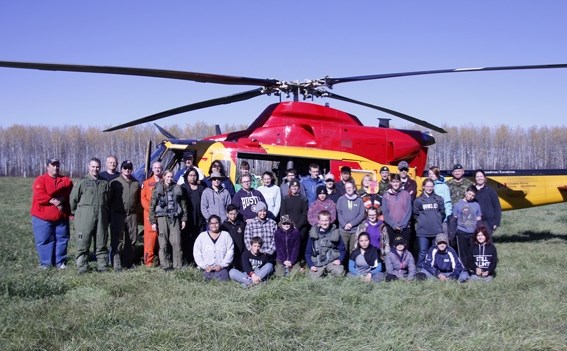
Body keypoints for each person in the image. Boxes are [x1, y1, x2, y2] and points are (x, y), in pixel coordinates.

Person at [30, 157, 73, 269]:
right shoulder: (40, 180)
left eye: (57, 165)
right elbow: (40, 196)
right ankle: (46, 264)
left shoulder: (66, 181)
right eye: (53, 165)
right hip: (42, 217)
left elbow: (69, 194)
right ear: (47, 166)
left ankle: (60, 262)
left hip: (61, 217)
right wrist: (55, 201)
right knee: (44, 240)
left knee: (62, 239)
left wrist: (65, 205)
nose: (56, 167)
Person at [70, 157, 110, 273]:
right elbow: (73, 199)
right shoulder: (82, 182)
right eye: (93, 166)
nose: (95, 169)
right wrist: (75, 213)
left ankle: (102, 266)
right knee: (83, 242)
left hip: (101, 215)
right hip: (85, 216)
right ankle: (82, 267)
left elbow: (108, 198)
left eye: (97, 167)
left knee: (101, 241)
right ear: (89, 167)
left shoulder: (104, 183)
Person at [149, 170, 187, 270]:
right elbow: (152, 206)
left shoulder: (177, 188)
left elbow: (183, 205)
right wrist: (153, 221)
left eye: (171, 177)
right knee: (163, 242)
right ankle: (165, 265)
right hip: (162, 218)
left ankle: (177, 265)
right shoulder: (157, 189)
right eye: (168, 177)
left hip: (175, 217)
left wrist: (184, 219)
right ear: (164, 177)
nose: (170, 179)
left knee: (177, 242)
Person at [108, 160, 140, 271]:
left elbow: (138, 200)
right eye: (125, 168)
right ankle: (117, 264)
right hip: (118, 215)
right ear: (121, 169)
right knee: (117, 240)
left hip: (131, 215)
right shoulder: (114, 183)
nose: (127, 170)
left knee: (132, 239)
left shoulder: (136, 183)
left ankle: (128, 263)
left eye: (129, 168)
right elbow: (109, 200)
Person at [413, 178, 446, 269]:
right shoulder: (418, 200)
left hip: (436, 230)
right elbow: (415, 214)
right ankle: (420, 268)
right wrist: (422, 221)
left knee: (435, 250)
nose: (429, 188)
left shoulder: (439, 199)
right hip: (423, 231)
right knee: (423, 251)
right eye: (427, 186)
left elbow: (443, 213)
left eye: (431, 186)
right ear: (423, 187)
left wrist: (437, 220)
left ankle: (435, 268)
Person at [305, 210, 346, 279]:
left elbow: (342, 249)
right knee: (313, 279)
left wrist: (340, 260)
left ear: (330, 220)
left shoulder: (335, 232)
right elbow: (308, 252)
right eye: (322, 221)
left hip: (331, 261)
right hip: (318, 262)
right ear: (319, 221)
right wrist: (311, 265)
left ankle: (328, 274)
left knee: (339, 273)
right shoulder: (313, 234)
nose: (324, 223)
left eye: (326, 220)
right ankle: (322, 273)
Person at [193, 215, 234, 281]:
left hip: (221, 269)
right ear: (208, 224)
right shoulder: (202, 236)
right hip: (206, 269)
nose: (214, 225)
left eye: (216, 223)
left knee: (223, 277)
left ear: (220, 223)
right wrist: (205, 266)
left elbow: (230, 251)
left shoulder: (226, 235)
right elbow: (197, 253)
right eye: (212, 223)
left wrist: (221, 265)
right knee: (203, 278)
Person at [180, 167, 207, 265]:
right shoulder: (183, 188)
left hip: (199, 219)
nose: (192, 177)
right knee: (187, 240)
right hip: (188, 219)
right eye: (190, 175)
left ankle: (197, 261)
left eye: (194, 175)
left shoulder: (201, 188)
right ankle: (187, 260)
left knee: (198, 241)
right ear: (187, 177)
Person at [452, 186, 482, 267]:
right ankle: (464, 268)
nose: (470, 197)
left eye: (473, 195)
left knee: (473, 251)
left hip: (473, 232)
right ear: (465, 192)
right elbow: (454, 219)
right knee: (463, 253)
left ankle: (473, 267)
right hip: (461, 232)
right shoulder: (458, 205)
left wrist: (479, 231)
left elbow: (479, 219)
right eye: (469, 194)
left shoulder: (476, 205)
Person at [141, 161, 163, 267]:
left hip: (162, 215)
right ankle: (148, 262)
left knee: (162, 238)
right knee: (150, 239)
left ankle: (162, 260)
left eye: (159, 168)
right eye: (155, 167)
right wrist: (151, 211)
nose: (157, 169)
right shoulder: (146, 183)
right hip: (150, 215)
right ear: (152, 169)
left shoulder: (165, 182)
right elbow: (143, 199)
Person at [382, 174, 412, 243]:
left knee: (404, 249)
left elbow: (409, 211)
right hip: (391, 227)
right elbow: (385, 213)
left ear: (400, 182)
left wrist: (402, 225)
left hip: (404, 228)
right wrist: (394, 225)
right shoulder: (386, 196)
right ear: (390, 182)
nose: (395, 184)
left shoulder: (406, 194)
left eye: (397, 181)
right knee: (392, 250)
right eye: (394, 182)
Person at [336, 181, 366, 253]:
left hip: (355, 230)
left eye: (350, 187)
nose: (348, 189)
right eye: (347, 188)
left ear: (354, 188)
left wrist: (351, 224)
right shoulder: (341, 199)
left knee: (353, 251)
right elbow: (339, 213)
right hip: (343, 230)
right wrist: (344, 225)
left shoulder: (359, 200)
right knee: (343, 250)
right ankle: (343, 264)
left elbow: (361, 214)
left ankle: (351, 264)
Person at [474, 169, 501, 236]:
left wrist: (496, 223)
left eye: (481, 176)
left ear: (484, 178)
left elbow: (497, 207)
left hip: (488, 222)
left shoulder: (490, 190)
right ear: (475, 178)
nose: (479, 178)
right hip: (474, 221)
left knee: (487, 243)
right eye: (477, 177)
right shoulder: (471, 190)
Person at [221, 204, 246, 271]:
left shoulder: (241, 224)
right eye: (231, 214)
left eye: (235, 214)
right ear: (227, 214)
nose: (233, 216)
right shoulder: (223, 226)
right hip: (228, 253)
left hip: (240, 252)